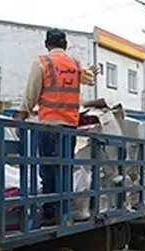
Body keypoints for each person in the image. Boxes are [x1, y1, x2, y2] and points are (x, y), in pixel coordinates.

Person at [17, 29, 100, 224]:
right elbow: (88, 78)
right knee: (65, 167)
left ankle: (49, 212)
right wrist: (90, 73)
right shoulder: (74, 64)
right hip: (69, 125)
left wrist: (23, 112)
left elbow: (32, 91)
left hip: (49, 125)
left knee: (48, 168)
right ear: (66, 45)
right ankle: (64, 209)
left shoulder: (43, 62)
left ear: (47, 44)